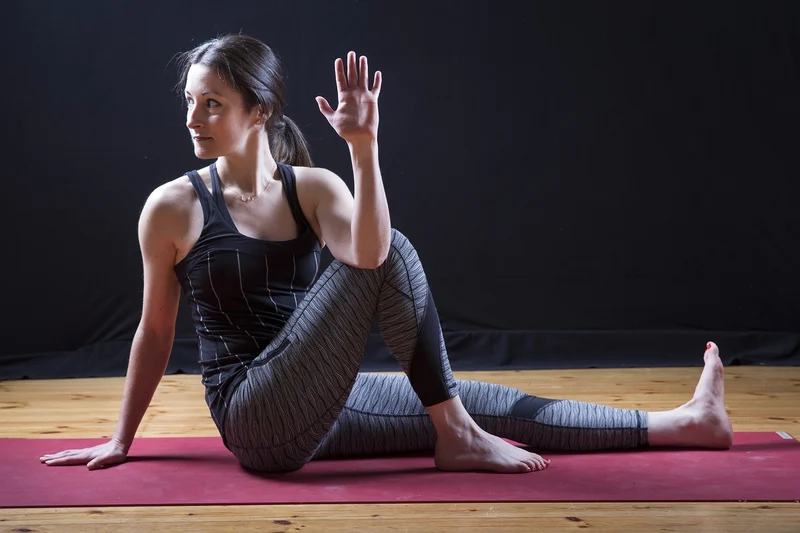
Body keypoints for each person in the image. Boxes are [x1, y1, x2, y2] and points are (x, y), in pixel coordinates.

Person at [40, 34, 733, 474]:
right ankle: (455, 434)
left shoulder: (312, 187)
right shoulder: (172, 208)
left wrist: (363, 153)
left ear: (257, 111)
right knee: (398, 258)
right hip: (255, 416)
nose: (193, 119)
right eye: (191, 103)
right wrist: (121, 437)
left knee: (483, 398)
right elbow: (156, 331)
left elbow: (365, 253)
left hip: (324, 398)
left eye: (212, 104)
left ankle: (686, 423)